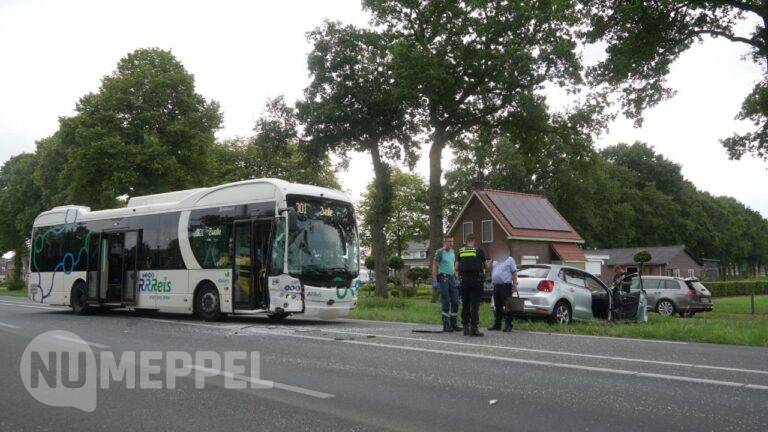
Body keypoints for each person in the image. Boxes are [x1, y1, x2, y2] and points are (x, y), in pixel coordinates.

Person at [456, 234, 489, 337]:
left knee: (465, 304)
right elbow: (486, 266)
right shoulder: (479, 251)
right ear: (473, 241)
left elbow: (456, 267)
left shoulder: (460, 251)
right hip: (476, 280)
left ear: (466, 241)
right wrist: (489, 263)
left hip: (464, 280)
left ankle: (465, 327)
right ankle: (474, 328)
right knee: (474, 305)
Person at [432, 236, 460, 332]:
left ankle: (453, 324)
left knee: (456, 301)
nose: (451, 243)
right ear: (445, 242)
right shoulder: (439, 252)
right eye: (449, 241)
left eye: (452, 241)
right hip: (443, 278)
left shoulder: (453, 252)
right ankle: (446, 324)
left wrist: (456, 276)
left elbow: (453, 265)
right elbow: (435, 266)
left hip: (452, 278)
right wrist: (435, 280)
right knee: (446, 301)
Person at [488, 248, 518, 332]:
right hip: (496, 286)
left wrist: (515, 285)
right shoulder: (495, 260)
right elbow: (488, 268)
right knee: (497, 306)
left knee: (508, 306)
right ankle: (497, 324)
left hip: (506, 286)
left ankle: (508, 325)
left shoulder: (510, 259)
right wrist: (492, 260)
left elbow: (514, 272)